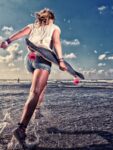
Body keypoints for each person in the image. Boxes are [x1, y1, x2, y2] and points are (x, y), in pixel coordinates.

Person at [0, 8, 67, 148]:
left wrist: (7, 41)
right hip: (42, 59)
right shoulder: (55, 27)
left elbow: (19, 34)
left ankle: (37, 109)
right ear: (51, 18)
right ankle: (21, 129)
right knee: (35, 92)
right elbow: (56, 43)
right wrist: (60, 60)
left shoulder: (32, 26)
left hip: (29, 60)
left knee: (42, 86)